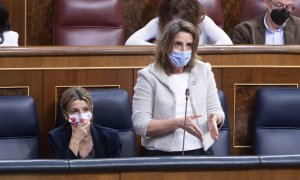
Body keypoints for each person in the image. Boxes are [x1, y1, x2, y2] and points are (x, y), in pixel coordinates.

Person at [132, 19, 225, 156]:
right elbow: (140, 124)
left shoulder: (203, 71)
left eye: (189, 45)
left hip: (199, 151)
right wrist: (177, 123)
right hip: (160, 154)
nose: (184, 51)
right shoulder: (148, 76)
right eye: (178, 44)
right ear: (166, 45)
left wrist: (215, 119)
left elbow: (217, 111)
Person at [48, 87, 122, 159]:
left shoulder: (111, 137)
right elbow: (61, 170)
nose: (82, 117)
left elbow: (118, 170)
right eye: (74, 111)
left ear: (91, 111)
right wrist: (75, 140)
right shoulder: (56, 138)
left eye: (86, 109)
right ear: (65, 115)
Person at [125, 0, 232, 45]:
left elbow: (227, 43)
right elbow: (130, 42)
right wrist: (161, 48)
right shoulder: (158, 22)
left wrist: (197, 49)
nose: (179, 28)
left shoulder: (202, 21)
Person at [232, 0, 300, 44]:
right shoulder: (245, 31)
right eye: (278, 5)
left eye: (288, 7)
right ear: (267, 2)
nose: (283, 11)